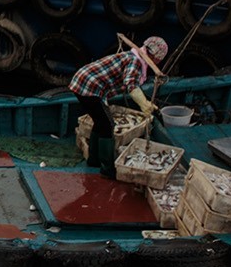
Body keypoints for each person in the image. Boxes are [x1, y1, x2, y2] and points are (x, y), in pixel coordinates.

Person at [69, 36, 168, 176]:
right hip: (89, 87)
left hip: (84, 81)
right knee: (108, 125)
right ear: (157, 57)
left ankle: (93, 160)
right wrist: (144, 104)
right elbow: (131, 84)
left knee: (100, 121)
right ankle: (107, 169)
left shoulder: (133, 55)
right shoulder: (136, 61)